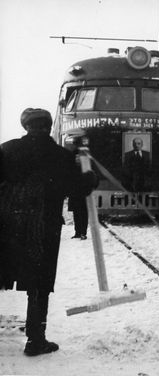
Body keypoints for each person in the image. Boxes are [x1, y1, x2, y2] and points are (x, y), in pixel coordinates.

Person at [0, 108, 96, 356]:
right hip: (42, 227)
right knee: (39, 285)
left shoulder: (6, 149)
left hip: (7, 225)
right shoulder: (61, 156)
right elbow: (82, 188)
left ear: (25, 126)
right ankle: (35, 340)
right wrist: (86, 166)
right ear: (48, 125)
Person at [68, 136, 90, 240]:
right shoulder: (74, 153)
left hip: (80, 187)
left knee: (80, 211)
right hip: (78, 187)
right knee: (79, 211)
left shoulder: (84, 153)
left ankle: (81, 232)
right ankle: (79, 232)